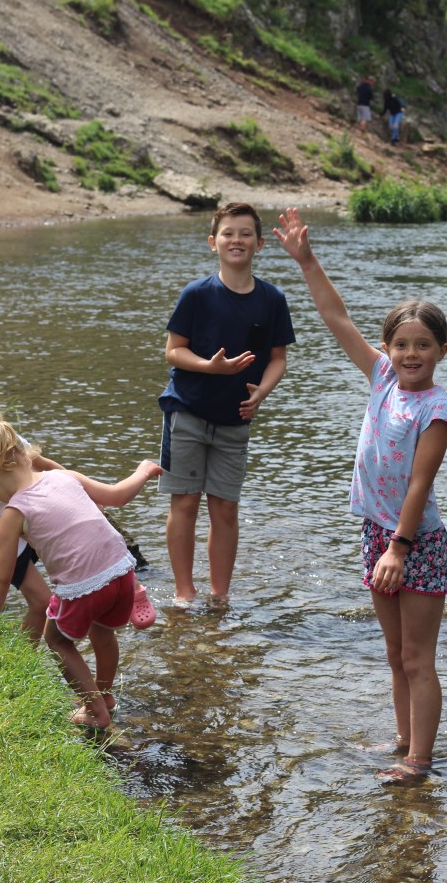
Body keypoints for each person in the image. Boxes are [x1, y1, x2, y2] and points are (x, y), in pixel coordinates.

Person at [274, 208, 447, 784]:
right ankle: (404, 741)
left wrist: (398, 548)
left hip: (413, 541)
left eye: (422, 345)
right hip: (377, 533)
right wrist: (306, 260)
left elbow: (420, 483)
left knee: (417, 658)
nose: (410, 355)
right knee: (394, 652)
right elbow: (335, 316)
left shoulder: (436, 410)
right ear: (388, 348)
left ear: (441, 351)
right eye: (402, 344)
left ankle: (419, 761)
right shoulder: (380, 377)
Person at [0, 419, 162, 730]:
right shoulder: (65, 476)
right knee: (102, 631)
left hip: (87, 585)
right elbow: (118, 496)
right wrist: (143, 471)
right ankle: (105, 695)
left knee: (55, 639)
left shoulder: (14, 513)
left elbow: (1, 579)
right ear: (25, 455)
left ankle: (95, 711)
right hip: (123, 572)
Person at [0, 388, 156, 640]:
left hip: (35, 524)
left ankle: (134, 587)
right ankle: (22, 659)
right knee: (40, 602)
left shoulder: (5, 446)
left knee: (92, 545)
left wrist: (80, 495)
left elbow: (48, 467)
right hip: (2, 545)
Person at [158, 201, 295, 606]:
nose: (237, 240)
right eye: (228, 234)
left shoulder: (272, 299)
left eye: (245, 234)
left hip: (236, 419)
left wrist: (261, 393)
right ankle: (185, 592)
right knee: (184, 503)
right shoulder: (197, 294)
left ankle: (220, 596)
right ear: (213, 242)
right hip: (187, 410)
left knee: (226, 510)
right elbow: (173, 351)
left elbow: (278, 359)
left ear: (260, 244)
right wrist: (209, 367)